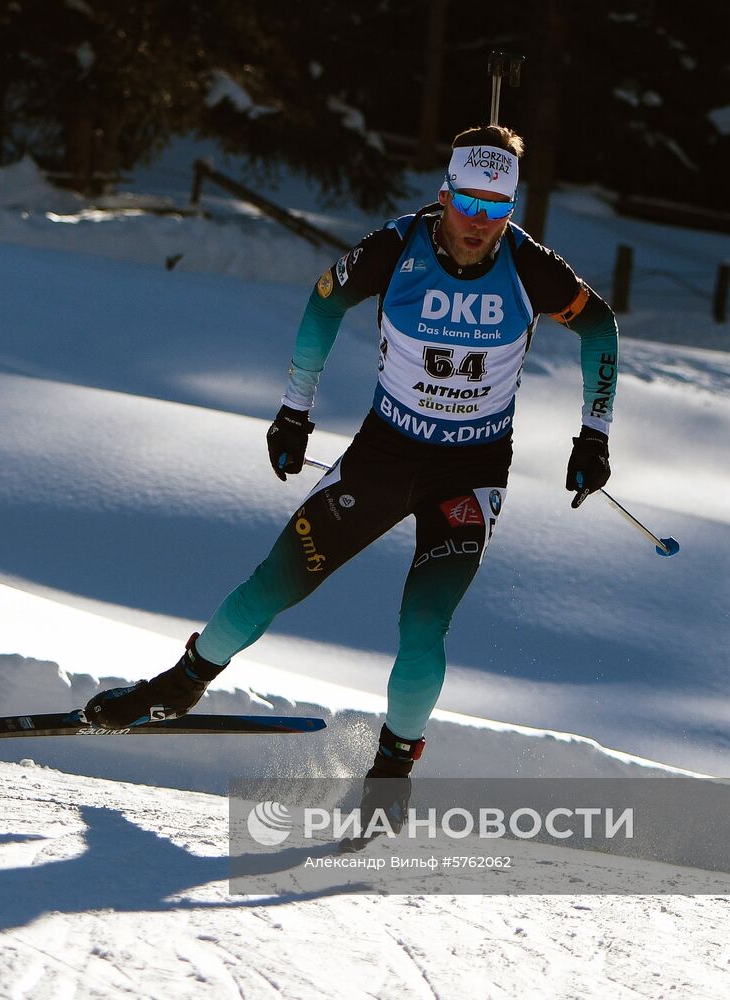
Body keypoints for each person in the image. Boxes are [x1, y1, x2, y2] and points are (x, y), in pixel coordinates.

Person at [84, 124, 619, 842]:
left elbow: (600, 327)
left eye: (496, 210)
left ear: (511, 210)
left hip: (471, 471)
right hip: (384, 457)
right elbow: (323, 301)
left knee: (424, 626)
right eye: (467, 204)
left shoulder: (529, 267)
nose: (478, 225)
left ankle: (391, 776)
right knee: (276, 582)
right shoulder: (396, 247)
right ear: (444, 195)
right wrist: (294, 411)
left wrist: (595, 434)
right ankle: (177, 688)